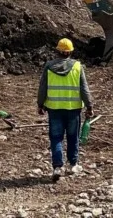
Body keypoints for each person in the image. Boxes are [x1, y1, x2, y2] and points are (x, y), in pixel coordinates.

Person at [37, 38, 94, 181]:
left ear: (58, 51)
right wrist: (89, 106)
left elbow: (43, 87)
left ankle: (57, 167)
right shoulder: (77, 66)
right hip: (73, 109)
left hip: (54, 109)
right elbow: (84, 88)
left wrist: (40, 104)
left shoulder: (49, 67)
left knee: (56, 138)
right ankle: (72, 165)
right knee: (72, 136)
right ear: (70, 52)